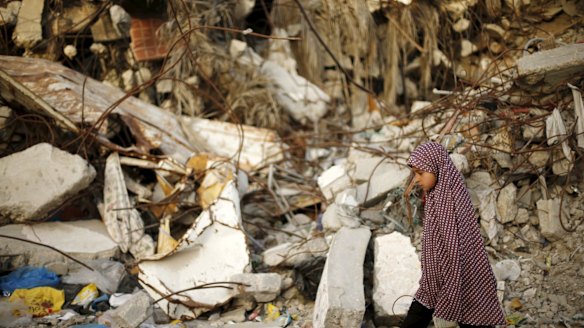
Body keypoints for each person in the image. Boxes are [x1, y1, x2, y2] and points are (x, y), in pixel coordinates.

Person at [401, 142, 506, 328]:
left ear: (435, 168)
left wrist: (442, 274)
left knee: (456, 305)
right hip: (450, 272)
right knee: (467, 309)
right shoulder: (440, 193)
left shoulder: (448, 199)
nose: (416, 179)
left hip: (456, 268)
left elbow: (452, 243)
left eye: (420, 173)